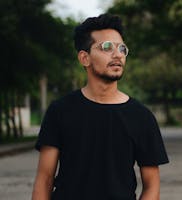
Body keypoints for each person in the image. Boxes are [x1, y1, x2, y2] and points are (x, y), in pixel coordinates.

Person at [32, 13, 169, 200]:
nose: (117, 54)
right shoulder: (60, 111)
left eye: (122, 48)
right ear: (84, 58)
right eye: (106, 47)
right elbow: (45, 179)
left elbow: (152, 186)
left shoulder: (141, 116)